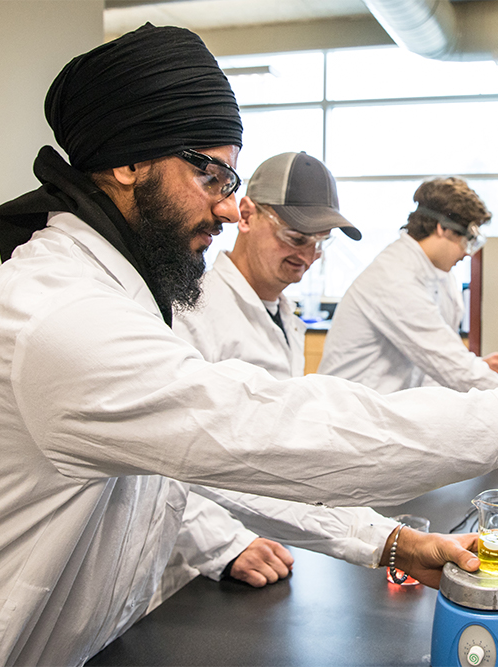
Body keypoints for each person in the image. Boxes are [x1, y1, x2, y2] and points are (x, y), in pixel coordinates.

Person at [0, 24, 498, 666]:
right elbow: (260, 430)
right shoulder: (61, 312)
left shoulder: (129, 296)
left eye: (232, 184)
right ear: (126, 162)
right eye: (211, 176)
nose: (228, 209)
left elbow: (208, 469)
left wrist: (391, 542)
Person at [160, 151, 390, 605]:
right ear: (245, 214)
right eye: (296, 236)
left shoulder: (285, 314)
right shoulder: (191, 313)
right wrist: (225, 546)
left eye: (320, 242)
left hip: (266, 545)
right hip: (192, 572)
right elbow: (160, 460)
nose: (307, 255)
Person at [318, 177, 498, 393]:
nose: (468, 252)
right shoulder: (394, 277)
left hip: (387, 409)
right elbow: (449, 364)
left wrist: (479, 368)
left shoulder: (440, 274)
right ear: (442, 228)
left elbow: (440, 363)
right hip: (351, 413)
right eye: (467, 240)